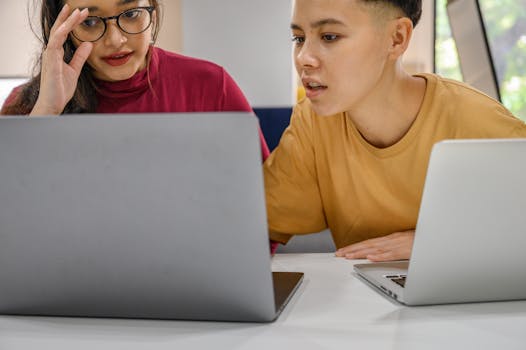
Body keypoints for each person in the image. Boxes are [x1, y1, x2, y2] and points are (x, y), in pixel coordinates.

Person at [265, 0, 526, 260]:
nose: (303, 58)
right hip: (367, 299)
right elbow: (257, 224)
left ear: (396, 39)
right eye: (298, 38)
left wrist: (443, 242)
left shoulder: (478, 122)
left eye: (329, 36)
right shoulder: (313, 123)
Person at [1, 0, 269, 159]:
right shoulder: (28, 106)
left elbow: (267, 214)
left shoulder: (212, 87)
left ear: (151, 8)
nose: (115, 40)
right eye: (90, 21)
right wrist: (45, 114)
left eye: (130, 15)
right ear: (65, 30)